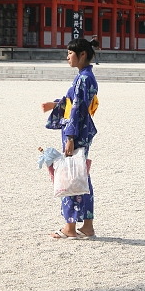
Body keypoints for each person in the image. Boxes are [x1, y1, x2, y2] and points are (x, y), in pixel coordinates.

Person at [42, 38, 99, 239]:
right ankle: (87, 225)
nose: (67, 57)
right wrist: (54, 104)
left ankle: (70, 226)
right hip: (82, 132)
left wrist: (70, 137)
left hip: (77, 133)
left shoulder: (84, 79)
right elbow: (70, 102)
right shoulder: (85, 77)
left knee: (70, 175)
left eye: (69, 53)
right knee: (80, 175)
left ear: (82, 54)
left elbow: (76, 109)